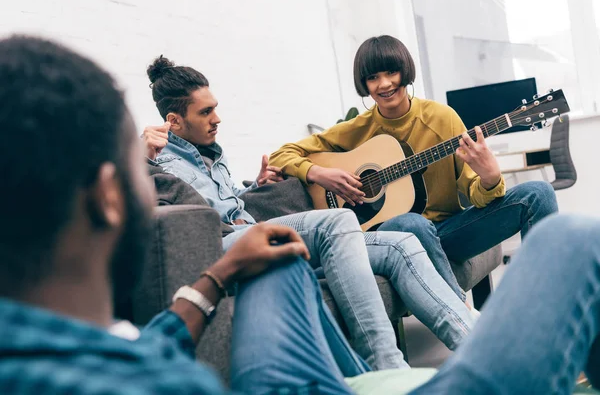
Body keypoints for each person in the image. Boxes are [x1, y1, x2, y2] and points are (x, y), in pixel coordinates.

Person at [0, 34, 598, 395]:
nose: (385, 89)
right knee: (571, 239)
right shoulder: (158, 383)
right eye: (136, 167)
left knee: (281, 260)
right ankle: (425, 366)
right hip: (362, 229)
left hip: (255, 259)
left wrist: (216, 276)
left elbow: (152, 343)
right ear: (109, 196)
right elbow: (289, 156)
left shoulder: (105, 351)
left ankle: (387, 368)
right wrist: (314, 171)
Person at [142, 56, 479, 366]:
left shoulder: (211, 153)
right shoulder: (158, 160)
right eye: (205, 113)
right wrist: (141, 158)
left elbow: (226, 202)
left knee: (400, 245)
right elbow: (149, 212)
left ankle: (476, 348)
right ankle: (386, 365)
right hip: (226, 248)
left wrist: (253, 187)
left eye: (214, 108)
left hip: (253, 232)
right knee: (338, 221)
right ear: (174, 120)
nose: (217, 118)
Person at [269, 35, 559, 303]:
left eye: (391, 73)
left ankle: (549, 304)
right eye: (373, 77)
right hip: (396, 237)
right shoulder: (357, 129)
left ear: (404, 72)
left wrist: (490, 177)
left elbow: (476, 194)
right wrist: (320, 174)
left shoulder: (442, 119)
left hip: (449, 232)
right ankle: (462, 317)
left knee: (539, 193)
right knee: (410, 223)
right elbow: (281, 155)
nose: (384, 84)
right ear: (364, 84)